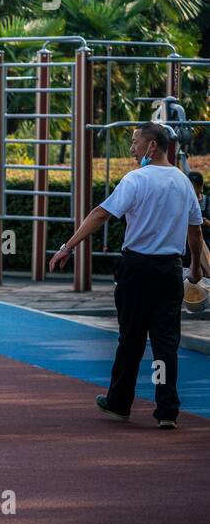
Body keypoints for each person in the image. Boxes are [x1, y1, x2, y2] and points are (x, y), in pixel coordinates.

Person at [49, 123, 202, 428]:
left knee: (131, 339)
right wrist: (195, 266)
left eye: (135, 142)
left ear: (152, 146)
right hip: (170, 269)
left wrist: (68, 246)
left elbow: (101, 213)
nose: (132, 149)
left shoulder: (136, 180)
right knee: (165, 343)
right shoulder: (183, 183)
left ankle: (120, 402)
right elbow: (195, 230)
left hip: (137, 269)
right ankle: (166, 410)